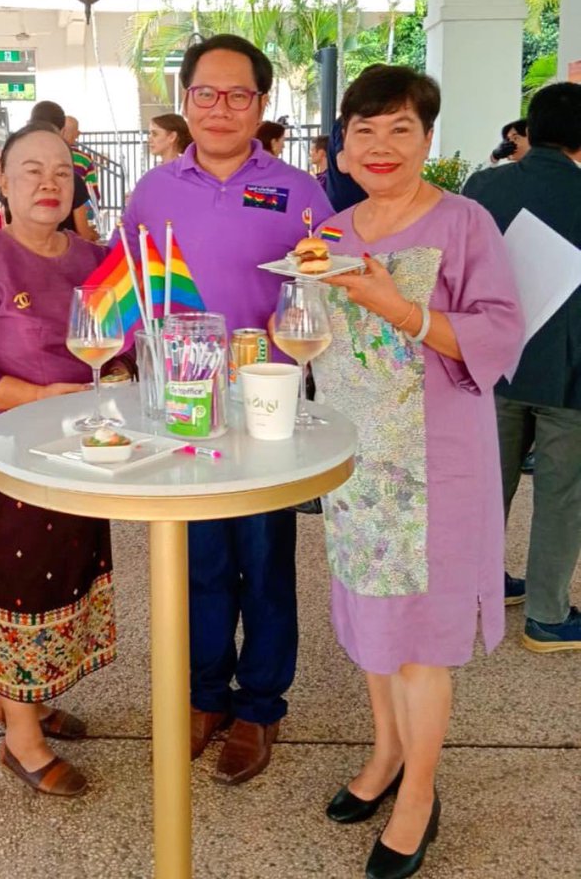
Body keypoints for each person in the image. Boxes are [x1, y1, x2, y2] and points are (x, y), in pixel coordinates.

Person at [310, 64, 523, 879]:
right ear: (343, 146)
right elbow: (308, 329)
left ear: (428, 139)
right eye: (363, 130)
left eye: (400, 128)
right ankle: (385, 755)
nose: (381, 145)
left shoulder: (465, 222)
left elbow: (500, 329)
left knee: (421, 644)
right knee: (372, 623)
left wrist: (400, 308)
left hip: (438, 465)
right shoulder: (331, 233)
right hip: (355, 461)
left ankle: (418, 798)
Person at [122, 33, 332, 785]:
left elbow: (328, 282)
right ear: (185, 102)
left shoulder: (299, 192)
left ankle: (260, 708)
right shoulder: (152, 191)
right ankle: (205, 697)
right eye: (205, 93)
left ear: (262, 104)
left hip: (267, 406)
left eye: (238, 94)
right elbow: (128, 288)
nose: (220, 108)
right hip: (183, 405)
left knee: (267, 560)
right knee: (200, 563)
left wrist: (305, 313)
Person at [0, 122, 125, 798]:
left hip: (77, 452)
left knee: (65, 583)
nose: (48, 183)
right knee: (19, 591)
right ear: (3, 181)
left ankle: (28, 701)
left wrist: (125, 366)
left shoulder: (93, 258)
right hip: (7, 454)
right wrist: (40, 395)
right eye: (31, 170)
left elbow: (112, 347)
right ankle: (22, 742)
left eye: (62, 173)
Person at [463, 82, 581, 652]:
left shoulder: (484, 186)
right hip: (572, 372)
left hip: (495, 363)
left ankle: (477, 591)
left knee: (489, 484)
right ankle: (547, 615)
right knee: (562, 495)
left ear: (527, 130)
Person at [28, 101, 98, 241]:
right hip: (64, 255)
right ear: (62, 131)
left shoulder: (15, 178)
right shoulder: (72, 180)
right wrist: (90, 235)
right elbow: (83, 234)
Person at [62, 114, 102, 204]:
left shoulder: (50, 155)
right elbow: (93, 194)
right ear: (78, 134)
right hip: (78, 211)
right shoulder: (85, 159)